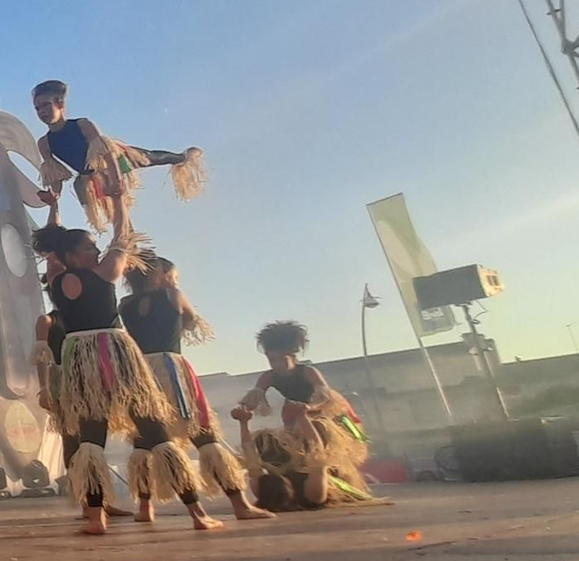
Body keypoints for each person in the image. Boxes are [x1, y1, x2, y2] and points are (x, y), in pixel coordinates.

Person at [32, 196, 221, 535]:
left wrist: (55, 208)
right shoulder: (104, 275)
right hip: (114, 352)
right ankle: (197, 513)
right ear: (74, 256)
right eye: (90, 247)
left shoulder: (58, 278)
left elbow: (52, 246)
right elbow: (122, 239)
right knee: (153, 429)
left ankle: (94, 518)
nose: (96, 251)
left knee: (91, 438)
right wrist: (119, 200)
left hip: (79, 357)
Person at [120, 255, 272, 523]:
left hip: (140, 374)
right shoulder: (172, 295)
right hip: (171, 369)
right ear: (162, 274)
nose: (176, 281)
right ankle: (239, 504)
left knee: (144, 440)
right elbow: (190, 321)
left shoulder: (126, 305)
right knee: (203, 434)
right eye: (174, 276)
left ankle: (145, 508)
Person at [237, 321, 377, 509]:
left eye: (281, 359)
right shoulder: (269, 376)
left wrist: (309, 408)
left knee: (322, 440)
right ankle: (297, 475)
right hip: (295, 409)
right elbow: (255, 394)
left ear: (293, 356)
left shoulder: (308, 372)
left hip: (322, 408)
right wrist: (245, 409)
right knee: (294, 443)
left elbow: (324, 395)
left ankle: (332, 479)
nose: (276, 365)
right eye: (272, 360)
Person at [32, 80, 205, 233]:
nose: (41, 112)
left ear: (60, 103)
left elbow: (107, 154)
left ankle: (182, 157)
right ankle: (128, 240)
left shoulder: (82, 125)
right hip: (89, 177)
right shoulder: (44, 143)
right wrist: (54, 195)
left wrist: (116, 180)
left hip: (114, 162)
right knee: (111, 209)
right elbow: (56, 177)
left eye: (46, 105)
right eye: (37, 108)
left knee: (151, 157)